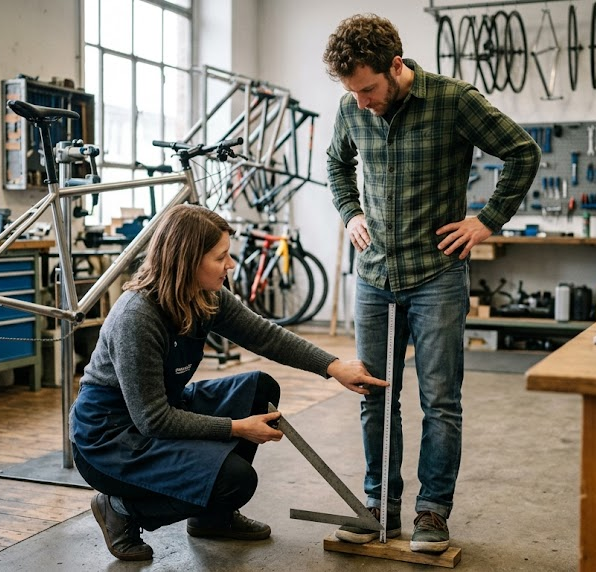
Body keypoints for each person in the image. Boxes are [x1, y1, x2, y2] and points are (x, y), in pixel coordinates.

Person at [322, 14, 541, 553]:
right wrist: (350, 212)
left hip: (436, 275)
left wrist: (487, 220)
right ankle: (379, 507)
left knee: (440, 398)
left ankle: (431, 513)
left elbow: (522, 152)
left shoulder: (454, 100)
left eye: (369, 89)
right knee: (374, 395)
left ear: (396, 66)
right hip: (374, 275)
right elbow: (335, 165)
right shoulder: (352, 105)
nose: (362, 102)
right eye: (353, 93)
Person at [69, 203, 388, 562]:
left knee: (258, 387)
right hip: (111, 439)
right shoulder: (137, 317)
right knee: (236, 480)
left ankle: (211, 518)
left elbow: (266, 336)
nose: (231, 265)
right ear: (188, 260)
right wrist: (237, 428)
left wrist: (332, 366)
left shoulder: (205, 297)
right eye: (221, 257)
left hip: (162, 411)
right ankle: (121, 510)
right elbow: (152, 420)